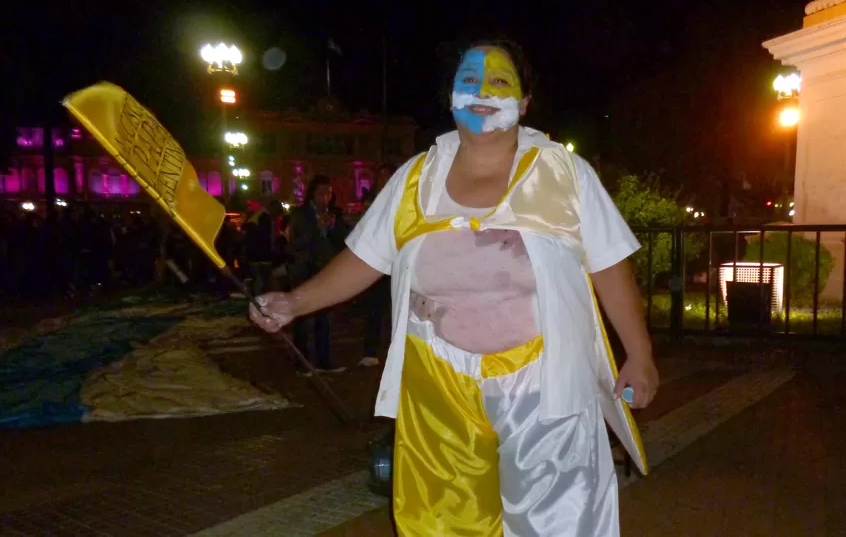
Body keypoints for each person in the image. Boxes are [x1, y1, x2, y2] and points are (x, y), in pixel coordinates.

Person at [251, 39, 658, 536]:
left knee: (558, 518)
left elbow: (610, 265)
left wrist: (638, 353)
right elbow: (364, 258)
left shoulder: (563, 173)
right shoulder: (415, 178)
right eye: (469, 79)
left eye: (500, 81)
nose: (483, 89)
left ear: (524, 103)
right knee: (444, 518)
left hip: (544, 379)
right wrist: (295, 301)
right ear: (450, 97)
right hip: (437, 379)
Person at [287, 175, 348, 374]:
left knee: (325, 318)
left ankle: (324, 360)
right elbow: (296, 243)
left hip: (324, 270)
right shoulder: (301, 214)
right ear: (312, 193)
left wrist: (333, 228)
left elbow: (342, 241)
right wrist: (316, 229)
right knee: (303, 318)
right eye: (322, 192)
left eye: (329, 193)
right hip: (304, 270)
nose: (326, 197)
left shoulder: (333, 214)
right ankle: (301, 362)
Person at [358, 189, 389, 368]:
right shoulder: (362, 225)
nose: (367, 209)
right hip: (370, 275)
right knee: (374, 313)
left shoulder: (383, 223)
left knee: (384, 314)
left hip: (385, 274)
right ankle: (370, 351)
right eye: (365, 206)